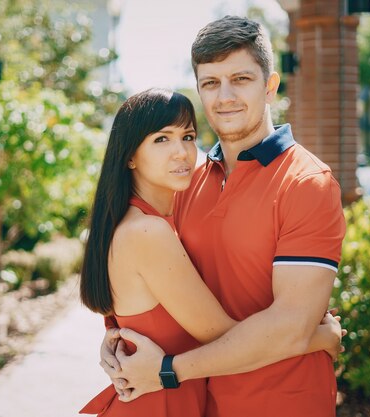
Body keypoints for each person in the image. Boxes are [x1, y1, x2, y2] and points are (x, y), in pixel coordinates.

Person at [99, 16, 347, 417]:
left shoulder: (306, 183)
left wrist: (166, 371)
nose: (224, 96)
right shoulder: (189, 180)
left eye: (241, 79)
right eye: (211, 83)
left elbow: (290, 327)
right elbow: (146, 271)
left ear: (270, 85)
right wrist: (120, 335)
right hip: (202, 400)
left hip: (283, 401)